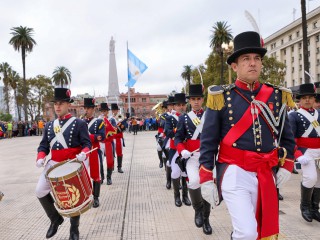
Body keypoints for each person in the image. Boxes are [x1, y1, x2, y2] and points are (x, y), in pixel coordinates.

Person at [199, 31, 296, 240]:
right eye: (246, 59)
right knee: (248, 232)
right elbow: (208, 141)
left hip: (265, 172)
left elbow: (287, 136)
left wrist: (287, 164)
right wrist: (206, 177)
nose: (252, 63)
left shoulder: (276, 95)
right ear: (234, 66)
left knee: (259, 229)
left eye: (257, 58)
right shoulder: (221, 97)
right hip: (234, 171)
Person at [35, 87, 92, 240]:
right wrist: (40, 157)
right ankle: (55, 218)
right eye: (56, 104)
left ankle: (74, 229)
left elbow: (87, 144)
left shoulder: (79, 123)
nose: (58, 106)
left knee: (75, 197)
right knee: (40, 190)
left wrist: (83, 154)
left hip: (72, 163)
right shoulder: (49, 126)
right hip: (54, 163)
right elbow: (44, 146)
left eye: (61, 103)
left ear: (68, 105)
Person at [175, 84, 212, 235]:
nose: (196, 102)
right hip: (191, 156)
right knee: (194, 181)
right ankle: (198, 210)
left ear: (202, 100)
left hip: (207, 156)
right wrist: (182, 149)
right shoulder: (184, 118)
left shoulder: (210, 115)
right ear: (189, 101)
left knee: (208, 186)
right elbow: (178, 138)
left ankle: (206, 219)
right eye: (193, 99)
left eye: (198, 99)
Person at [289, 83, 320, 223]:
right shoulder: (295, 116)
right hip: (305, 152)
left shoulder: (319, 113)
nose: (307, 100)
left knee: (319, 181)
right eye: (304, 98)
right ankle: (305, 207)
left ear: (314, 99)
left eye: (310, 97)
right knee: (310, 178)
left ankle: (314, 209)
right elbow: (290, 138)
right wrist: (298, 155)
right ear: (299, 100)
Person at [165, 93, 191, 207]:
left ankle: (185, 196)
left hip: (187, 148)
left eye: (183, 105)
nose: (181, 107)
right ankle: (177, 196)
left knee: (185, 173)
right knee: (175, 172)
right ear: (174, 106)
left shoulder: (190, 117)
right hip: (175, 148)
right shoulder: (170, 118)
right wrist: (178, 130)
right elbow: (168, 132)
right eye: (178, 105)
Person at [82, 98, 105, 208]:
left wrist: (88, 137)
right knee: (83, 174)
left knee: (96, 174)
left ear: (93, 109)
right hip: (83, 151)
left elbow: (101, 137)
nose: (87, 110)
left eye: (89, 108)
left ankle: (96, 197)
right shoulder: (80, 122)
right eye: (85, 108)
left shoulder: (99, 122)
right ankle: (86, 196)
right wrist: (93, 137)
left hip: (95, 150)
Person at [99, 103, 117, 185]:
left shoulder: (111, 119)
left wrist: (107, 125)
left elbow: (115, 129)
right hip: (101, 142)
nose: (103, 112)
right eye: (102, 111)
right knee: (100, 161)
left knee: (110, 161)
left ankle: (109, 177)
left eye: (105, 111)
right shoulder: (98, 120)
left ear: (107, 111)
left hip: (109, 141)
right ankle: (102, 177)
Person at [109, 103, 125, 173]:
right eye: (113, 110)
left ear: (117, 110)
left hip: (118, 137)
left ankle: (119, 167)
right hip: (112, 138)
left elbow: (123, 127)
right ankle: (111, 167)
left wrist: (118, 123)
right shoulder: (110, 118)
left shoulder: (120, 117)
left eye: (115, 110)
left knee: (119, 152)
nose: (114, 111)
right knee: (111, 153)